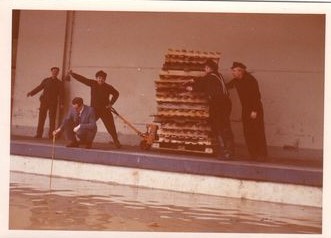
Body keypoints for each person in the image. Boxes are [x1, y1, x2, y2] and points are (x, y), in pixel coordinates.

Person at [185, 59, 235, 159]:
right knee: (225, 127)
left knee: (219, 127)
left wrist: (191, 88)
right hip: (225, 103)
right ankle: (228, 151)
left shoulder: (209, 77)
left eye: (205, 68)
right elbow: (204, 80)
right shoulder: (218, 75)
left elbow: (202, 84)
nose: (204, 70)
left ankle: (226, 152)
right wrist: (193, 80)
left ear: (208, 68)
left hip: (218, 105)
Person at [67, 69, 121, 148]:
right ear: (96, 78)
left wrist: (110, 104)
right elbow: (83, 79)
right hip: (93, 111)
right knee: (86, 126)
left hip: (105, 110)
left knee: (111, 127)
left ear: (105, 79)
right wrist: (73, 74)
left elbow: (116, 93)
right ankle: (80, 142)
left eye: (103, 78)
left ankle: (116, 142)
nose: (101, 79)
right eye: (99, 78)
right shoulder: (93, 83)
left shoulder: (108, 87)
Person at [227, 62, 268, 161]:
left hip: (255, 109)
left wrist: (254, 110)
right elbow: (227, 86)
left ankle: (262, 154)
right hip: (245, 109)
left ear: (240, 71)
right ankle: (253, 154)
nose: (233, 73)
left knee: (257, 132)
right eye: (232, 71)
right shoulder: (236, 80)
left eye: (234, 71)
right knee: (248, 132)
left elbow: (256, 96)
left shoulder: (251, 80)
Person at [27, 66, 64, 139]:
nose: (55, 73)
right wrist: (31, 93)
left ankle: (51, 135)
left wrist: (62, 103)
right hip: (44, 102)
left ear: (58, 73)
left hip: (53, 103)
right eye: (53, 71)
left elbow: (62, 94)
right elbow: (39, 87)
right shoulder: (46, 80)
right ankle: (39, 134)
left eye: (56, 72)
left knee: (52, 119)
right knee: (41, 118)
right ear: (51, 72)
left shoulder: (59, 83)